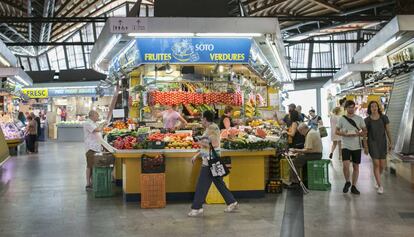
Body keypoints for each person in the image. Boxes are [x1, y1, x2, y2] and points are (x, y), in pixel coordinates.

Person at [188, 110, 238, 217]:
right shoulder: (210, 128)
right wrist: (197, 155)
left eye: (202, 118)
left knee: (202, 184)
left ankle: (197, 208)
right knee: (218, 182)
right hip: (210, 159)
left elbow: (214, 144)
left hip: (210, 161)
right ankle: (232, 202)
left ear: (205, 119)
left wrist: (198, 141)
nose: (201, 120)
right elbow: (207, 145)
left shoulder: (213, 128)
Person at [336, 100, 367, 195]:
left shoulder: (359, 118)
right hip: (345, 145)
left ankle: (354, 186)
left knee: (355, 166)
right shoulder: (341, 119)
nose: (351, 109)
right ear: (346, 108)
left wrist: (360, 133)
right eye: (349, 107)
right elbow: (336, 131)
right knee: (345, 166)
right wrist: (343, 133)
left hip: (357, 146)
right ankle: (347, 182)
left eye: (353, 107)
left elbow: (365, 131)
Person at [364, 101, 393, 194]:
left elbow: (388, 130)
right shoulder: (367, 120)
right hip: (372, 143)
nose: (374, 108)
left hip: (382, 143)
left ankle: (377, 179)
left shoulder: (384, 118)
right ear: (370, 109)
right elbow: (365, 134)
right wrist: (365, 146)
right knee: (376, 163)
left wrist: (391, 142)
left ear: (378, 107)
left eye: (375, 106)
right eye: (372, 107)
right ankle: (380, 185)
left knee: (382, 165)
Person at [83, 110, 105, 190]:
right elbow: (97, 130)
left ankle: (92, 182)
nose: (98, 117)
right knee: (89, 166)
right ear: (92, 116)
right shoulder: (88, 123)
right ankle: (88, 184)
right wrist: (104, 124)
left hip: (96, 147)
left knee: (93, 165)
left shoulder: (93, 123)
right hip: (91, 148)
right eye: (97, 115)